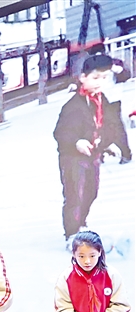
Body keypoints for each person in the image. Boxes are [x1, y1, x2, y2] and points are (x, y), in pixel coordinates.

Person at [53, 54, 132, 246]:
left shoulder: (100, 99)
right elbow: (60, 133)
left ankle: (81, 222)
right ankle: (72, 233)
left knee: (91, 192)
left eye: (104, 78)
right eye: (95, 78)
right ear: (83, 78)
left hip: (92, 155)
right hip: (72, 158)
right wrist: (76, 142)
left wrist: (107, 144)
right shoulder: (72, 106)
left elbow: (106, 125)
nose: (100, 82)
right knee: (75, 194)